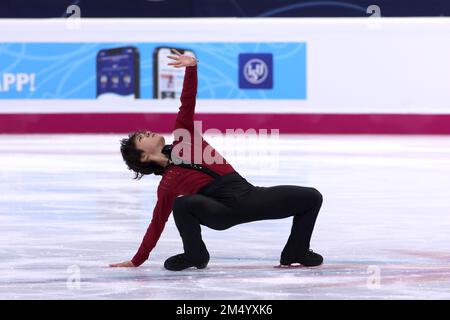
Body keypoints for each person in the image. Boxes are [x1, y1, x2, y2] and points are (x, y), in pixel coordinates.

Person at [110, 49, 324, 271]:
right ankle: (195, 255)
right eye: (142, 137)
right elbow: (157, 224)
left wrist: (191, 68)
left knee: (311, 197)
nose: (148, 132)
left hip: (249, 196)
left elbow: (187, 102)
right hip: (221, 211)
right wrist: (137, 260)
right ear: (144, 156)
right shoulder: (167, 185)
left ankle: (295, 250)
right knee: (182, 204)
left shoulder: (184, 138)